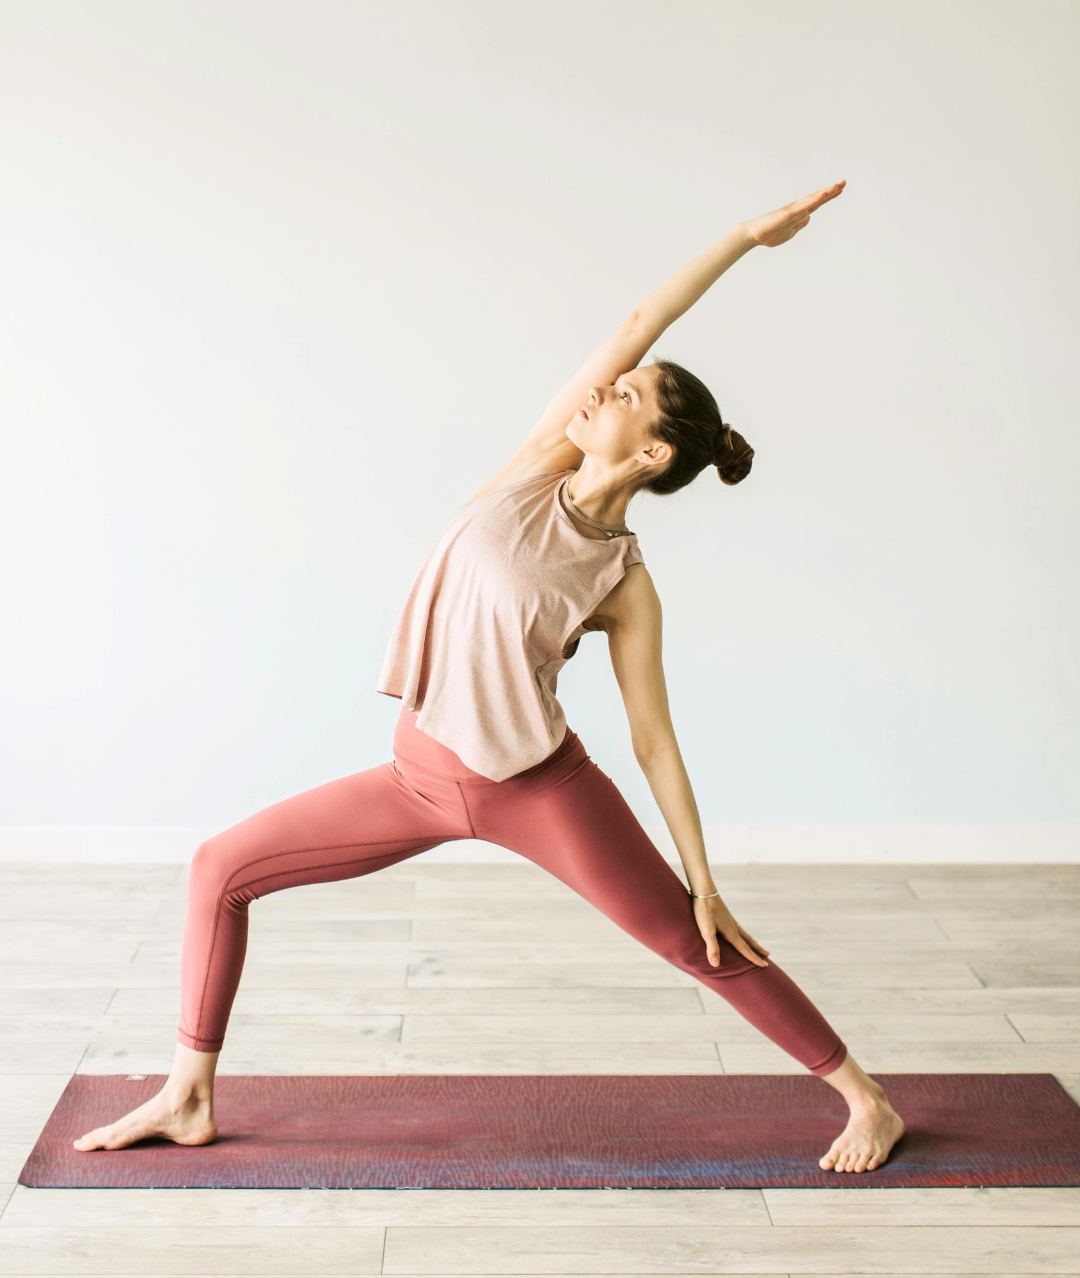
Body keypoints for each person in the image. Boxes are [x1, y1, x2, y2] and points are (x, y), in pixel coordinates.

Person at [74, 180, 904, 1173]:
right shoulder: (533, 468)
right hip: (415, 778)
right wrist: (742, 238)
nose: (610, 386)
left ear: (653, 453)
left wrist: (705, 879)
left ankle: (866, 1098)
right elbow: (646, 316)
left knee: (698, 941)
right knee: (219, 869)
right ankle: (189, 1095)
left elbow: (654, 740)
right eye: (619, 378)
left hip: (537, 793)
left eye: (631, 394)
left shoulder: (625, 583)